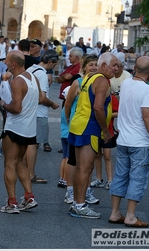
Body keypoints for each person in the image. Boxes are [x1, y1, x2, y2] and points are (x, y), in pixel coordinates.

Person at [108, 56, 149, 227]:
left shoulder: (126, 84)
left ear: (135, 69)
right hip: (139, 141)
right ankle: (131, 216)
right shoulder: (146, 90)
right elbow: (146, 116)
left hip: (123, 139)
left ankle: (115, 213)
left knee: (120, 176)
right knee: (137, 178)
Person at [67, 52, 119, 219]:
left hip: (78, 125)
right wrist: (105, 131)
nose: (116, 69)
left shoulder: (90, 77)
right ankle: (80, 205)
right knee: (85, 169)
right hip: (88, 128)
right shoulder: (102, 80)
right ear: (103, 65)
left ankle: (77, 203)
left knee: (81, 168)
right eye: (114, 65)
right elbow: (98, 107)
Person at [0, 50, 41, 213]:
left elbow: (16, 108)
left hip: (15, 127)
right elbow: (39, 99)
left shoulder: (17, 82)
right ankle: (29, 197)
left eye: (7, 61)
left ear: (13, 64)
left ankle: (12, 202)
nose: (5, 63)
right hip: (29, 129)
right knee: (20, 162)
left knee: (9, 164)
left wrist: (2, 104)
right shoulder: (33, 78)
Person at [63, 54, 100, 204]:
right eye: (91, 64)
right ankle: (70, 191)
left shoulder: (98, 82)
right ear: (84, 66)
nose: (94, 67)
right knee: (73, 161)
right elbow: (67, 104)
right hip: (77, 125)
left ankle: (86, 190)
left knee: (87, 162)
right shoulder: (78, 82)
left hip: (91, 126)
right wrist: (67, 120)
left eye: (96, 64)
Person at [24, 50, 60, 185]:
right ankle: (31, 174)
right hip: (39, 113)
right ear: (50, 62)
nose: (54, 68)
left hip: (28, 111)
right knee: (33, 144)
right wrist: (53, 104)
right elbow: (42, 98)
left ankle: (24, 171)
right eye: (54, 64)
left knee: (27, 143)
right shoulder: (43, 75)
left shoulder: (31, 69)